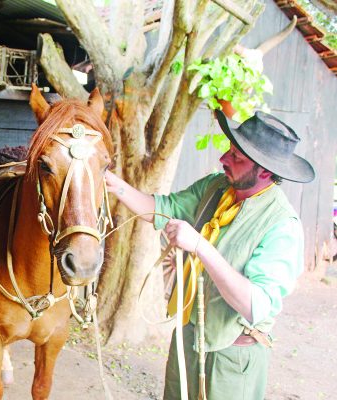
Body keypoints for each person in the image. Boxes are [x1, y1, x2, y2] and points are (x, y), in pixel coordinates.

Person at [105, 110, 315, 400]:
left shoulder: (282, 226)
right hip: (190, 336)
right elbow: (159, 208)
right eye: (229, 150)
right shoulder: (216, 187)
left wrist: (201, 246)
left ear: (265, 171)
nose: (224, 159)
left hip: (232, 355)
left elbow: (254, 305)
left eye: (237, 157)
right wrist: (110, 182)